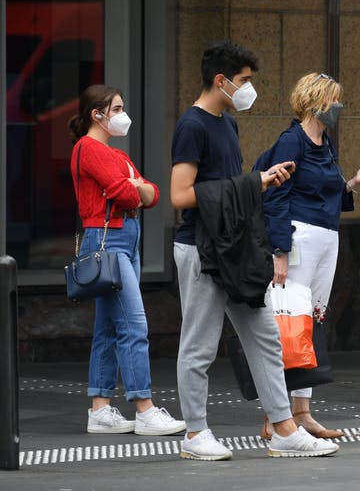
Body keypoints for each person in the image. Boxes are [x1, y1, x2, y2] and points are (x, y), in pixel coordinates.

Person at [170, 41, 339, 460]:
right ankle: (195, 434)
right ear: (221, 81)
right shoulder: (192, 126)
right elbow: (180, 195)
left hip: (234, 246)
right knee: (199, 344)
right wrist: (254, 183)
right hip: (201, 247)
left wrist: (261, 181)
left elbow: (230, 188)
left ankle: (283, 427)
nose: (248, 90)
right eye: (243, 81)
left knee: (264, 336)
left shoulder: (226, 123)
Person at [256, 72, 360, 439]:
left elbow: (327, 191)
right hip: (300, 237)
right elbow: (275, 196)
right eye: (335, 99)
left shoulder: (323, 143)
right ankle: (276, 414)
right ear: (316, 101)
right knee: (289, 323)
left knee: (308, 324)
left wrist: (353, 183)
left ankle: (301, 412)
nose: (340, 107)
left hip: (326, 237)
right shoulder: (292, 141)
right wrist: (279, 250)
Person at [68, 85, 186, 436]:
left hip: (123, 241)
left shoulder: (111, 154)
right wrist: (134, 187)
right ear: (98, 114)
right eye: (116, 109)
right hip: (109, 242)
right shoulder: (88, 149)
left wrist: (135, 187)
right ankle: (144, 407)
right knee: (134, 325)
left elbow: (152, 193)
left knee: (108, 328)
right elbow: (126, 191)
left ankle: (100, 409)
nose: (122, 115)